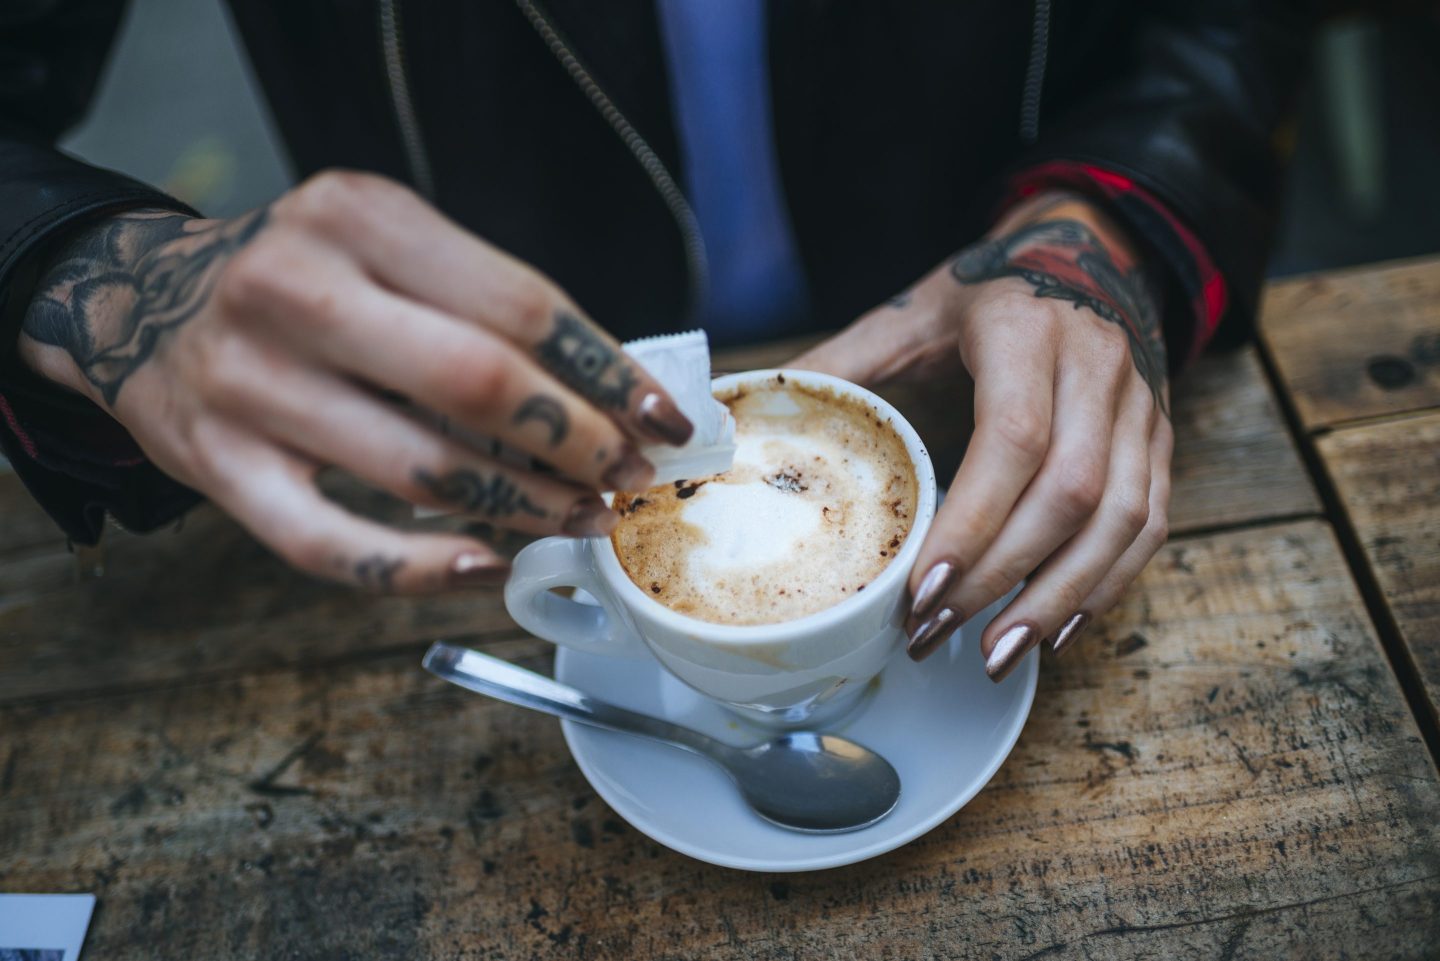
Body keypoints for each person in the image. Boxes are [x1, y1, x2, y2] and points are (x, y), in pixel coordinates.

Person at [0, 1, 1309, 681]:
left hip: (961, 373)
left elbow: (1219, 20)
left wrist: (1109, 226)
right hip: (465, 422)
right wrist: (100, 274)